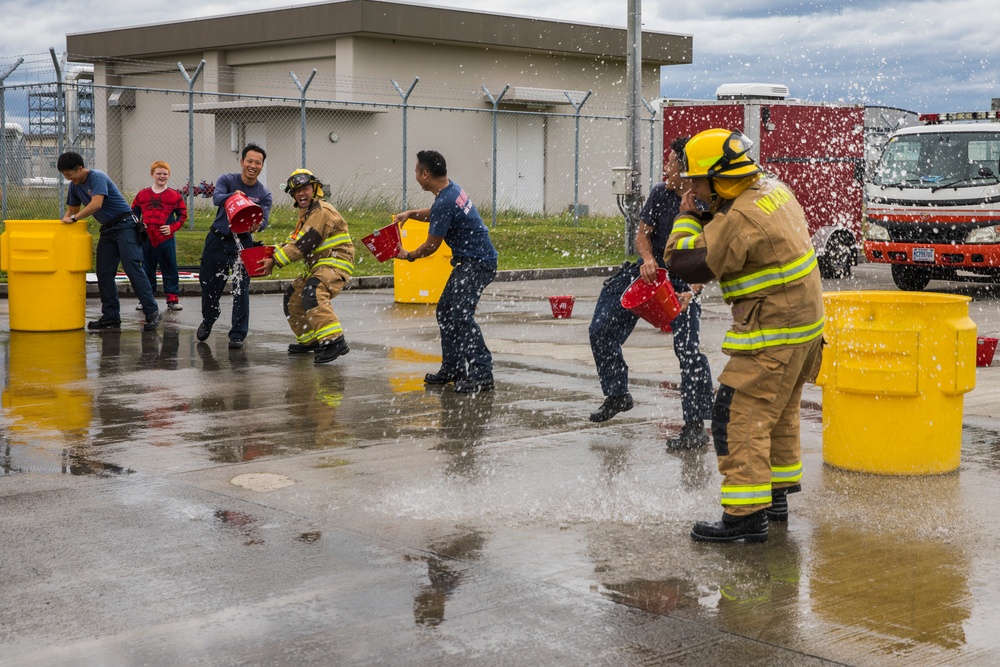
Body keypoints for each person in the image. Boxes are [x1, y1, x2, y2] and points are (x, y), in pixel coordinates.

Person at [665, 128, 824, 544]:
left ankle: (744, 518)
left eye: (697, 181)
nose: (693, 189)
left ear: (721, 178)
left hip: (774, 334)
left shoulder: (739, 218)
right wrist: (706, 212)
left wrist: (686, 216)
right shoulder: (773, 190)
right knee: (777, 415)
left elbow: (686, 261)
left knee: (737, 419)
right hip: (804, 333)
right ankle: (775, 500)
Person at [588, 137, 714, 449]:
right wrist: (647, 259)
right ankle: (617, 394)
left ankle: (696, 426)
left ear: (685, 172)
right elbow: (642, 235)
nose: (665, 168)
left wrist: (692, 293)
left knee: (688, 351)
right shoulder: (660, 194)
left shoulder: (705, 204)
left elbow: (712, 256)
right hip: (650, 271)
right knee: (601, 328)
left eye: (670, 164)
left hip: (685, 279)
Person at [393, 150, 498, 394]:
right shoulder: (451, 190)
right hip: (472, 262)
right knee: (446, 312)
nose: (416, 176)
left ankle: (482, 373)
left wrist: (407, 255)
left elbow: (431, 246)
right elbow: (437, 214)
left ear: (425, 174)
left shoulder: (445, 200)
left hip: (477, 263)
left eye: (417, 171)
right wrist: (411, 214)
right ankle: (453, 369)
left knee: (460, 315)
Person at [257, 169, 354, 364]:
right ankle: (310, 341)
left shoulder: (321, 211)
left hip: (335, 263)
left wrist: (275, 261)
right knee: (293, 297)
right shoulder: (307, 215)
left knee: (313, 291)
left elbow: (304, 245)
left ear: (315, 189)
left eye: (306, 189)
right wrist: (269, 251)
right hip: (320, 265)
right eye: (297, 191)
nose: (301, 194)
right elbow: (294, 241)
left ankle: (335, 342)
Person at [57, 151, 160, 332]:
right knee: (104, 272)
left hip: (126, 225)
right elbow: (72, 210)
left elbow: (96, 204)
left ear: (80, 168)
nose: (69, 178)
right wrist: (59, 230)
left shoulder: (97, 177)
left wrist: (74, 219)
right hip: (108, 229)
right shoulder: (74, 186)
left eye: (70, 174)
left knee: (132, 267)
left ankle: (152, 312)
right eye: (65, 176)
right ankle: (111, 316)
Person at [198, 144, 272, 350]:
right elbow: (216, 199)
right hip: (217, 239)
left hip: (242, 243)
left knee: (241, 289)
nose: (253, 166)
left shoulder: (264, 194)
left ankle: (238, 334)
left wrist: (258, 225)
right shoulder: (227, 180)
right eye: (249, 161)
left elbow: (263, 221)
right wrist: (234, 196)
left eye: (258, 163)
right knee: (209, 286)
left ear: (262, 166)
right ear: (242, 162)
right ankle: (209, 317)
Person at [132, 160, 187, 312]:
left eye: (165, 174)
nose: (162, 176)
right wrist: (139, 226)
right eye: (159, 173)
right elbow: (134, 212)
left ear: (169, 175)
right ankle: (146, 299)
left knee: (169, 267)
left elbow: (182, 215)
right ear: (152, 175)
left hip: (166, 239)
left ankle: (172, 299)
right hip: (147, 239)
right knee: (146, 269)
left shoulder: (174, 195)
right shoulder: (142, 194)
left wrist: (172, 228)